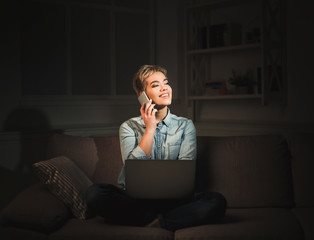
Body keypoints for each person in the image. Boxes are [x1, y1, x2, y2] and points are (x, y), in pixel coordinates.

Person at [85, 65, 226, 231]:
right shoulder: (128, 127)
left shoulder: (185, 125)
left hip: (175, 201)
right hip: (135, 200)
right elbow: (132, 167)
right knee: (95, 194)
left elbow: (186, 169)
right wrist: (150, 129)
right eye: (155, 85)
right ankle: (167, 222)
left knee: (216, 201)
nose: (164, 87)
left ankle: (154, 223)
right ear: (141, 96)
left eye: (165, 82)